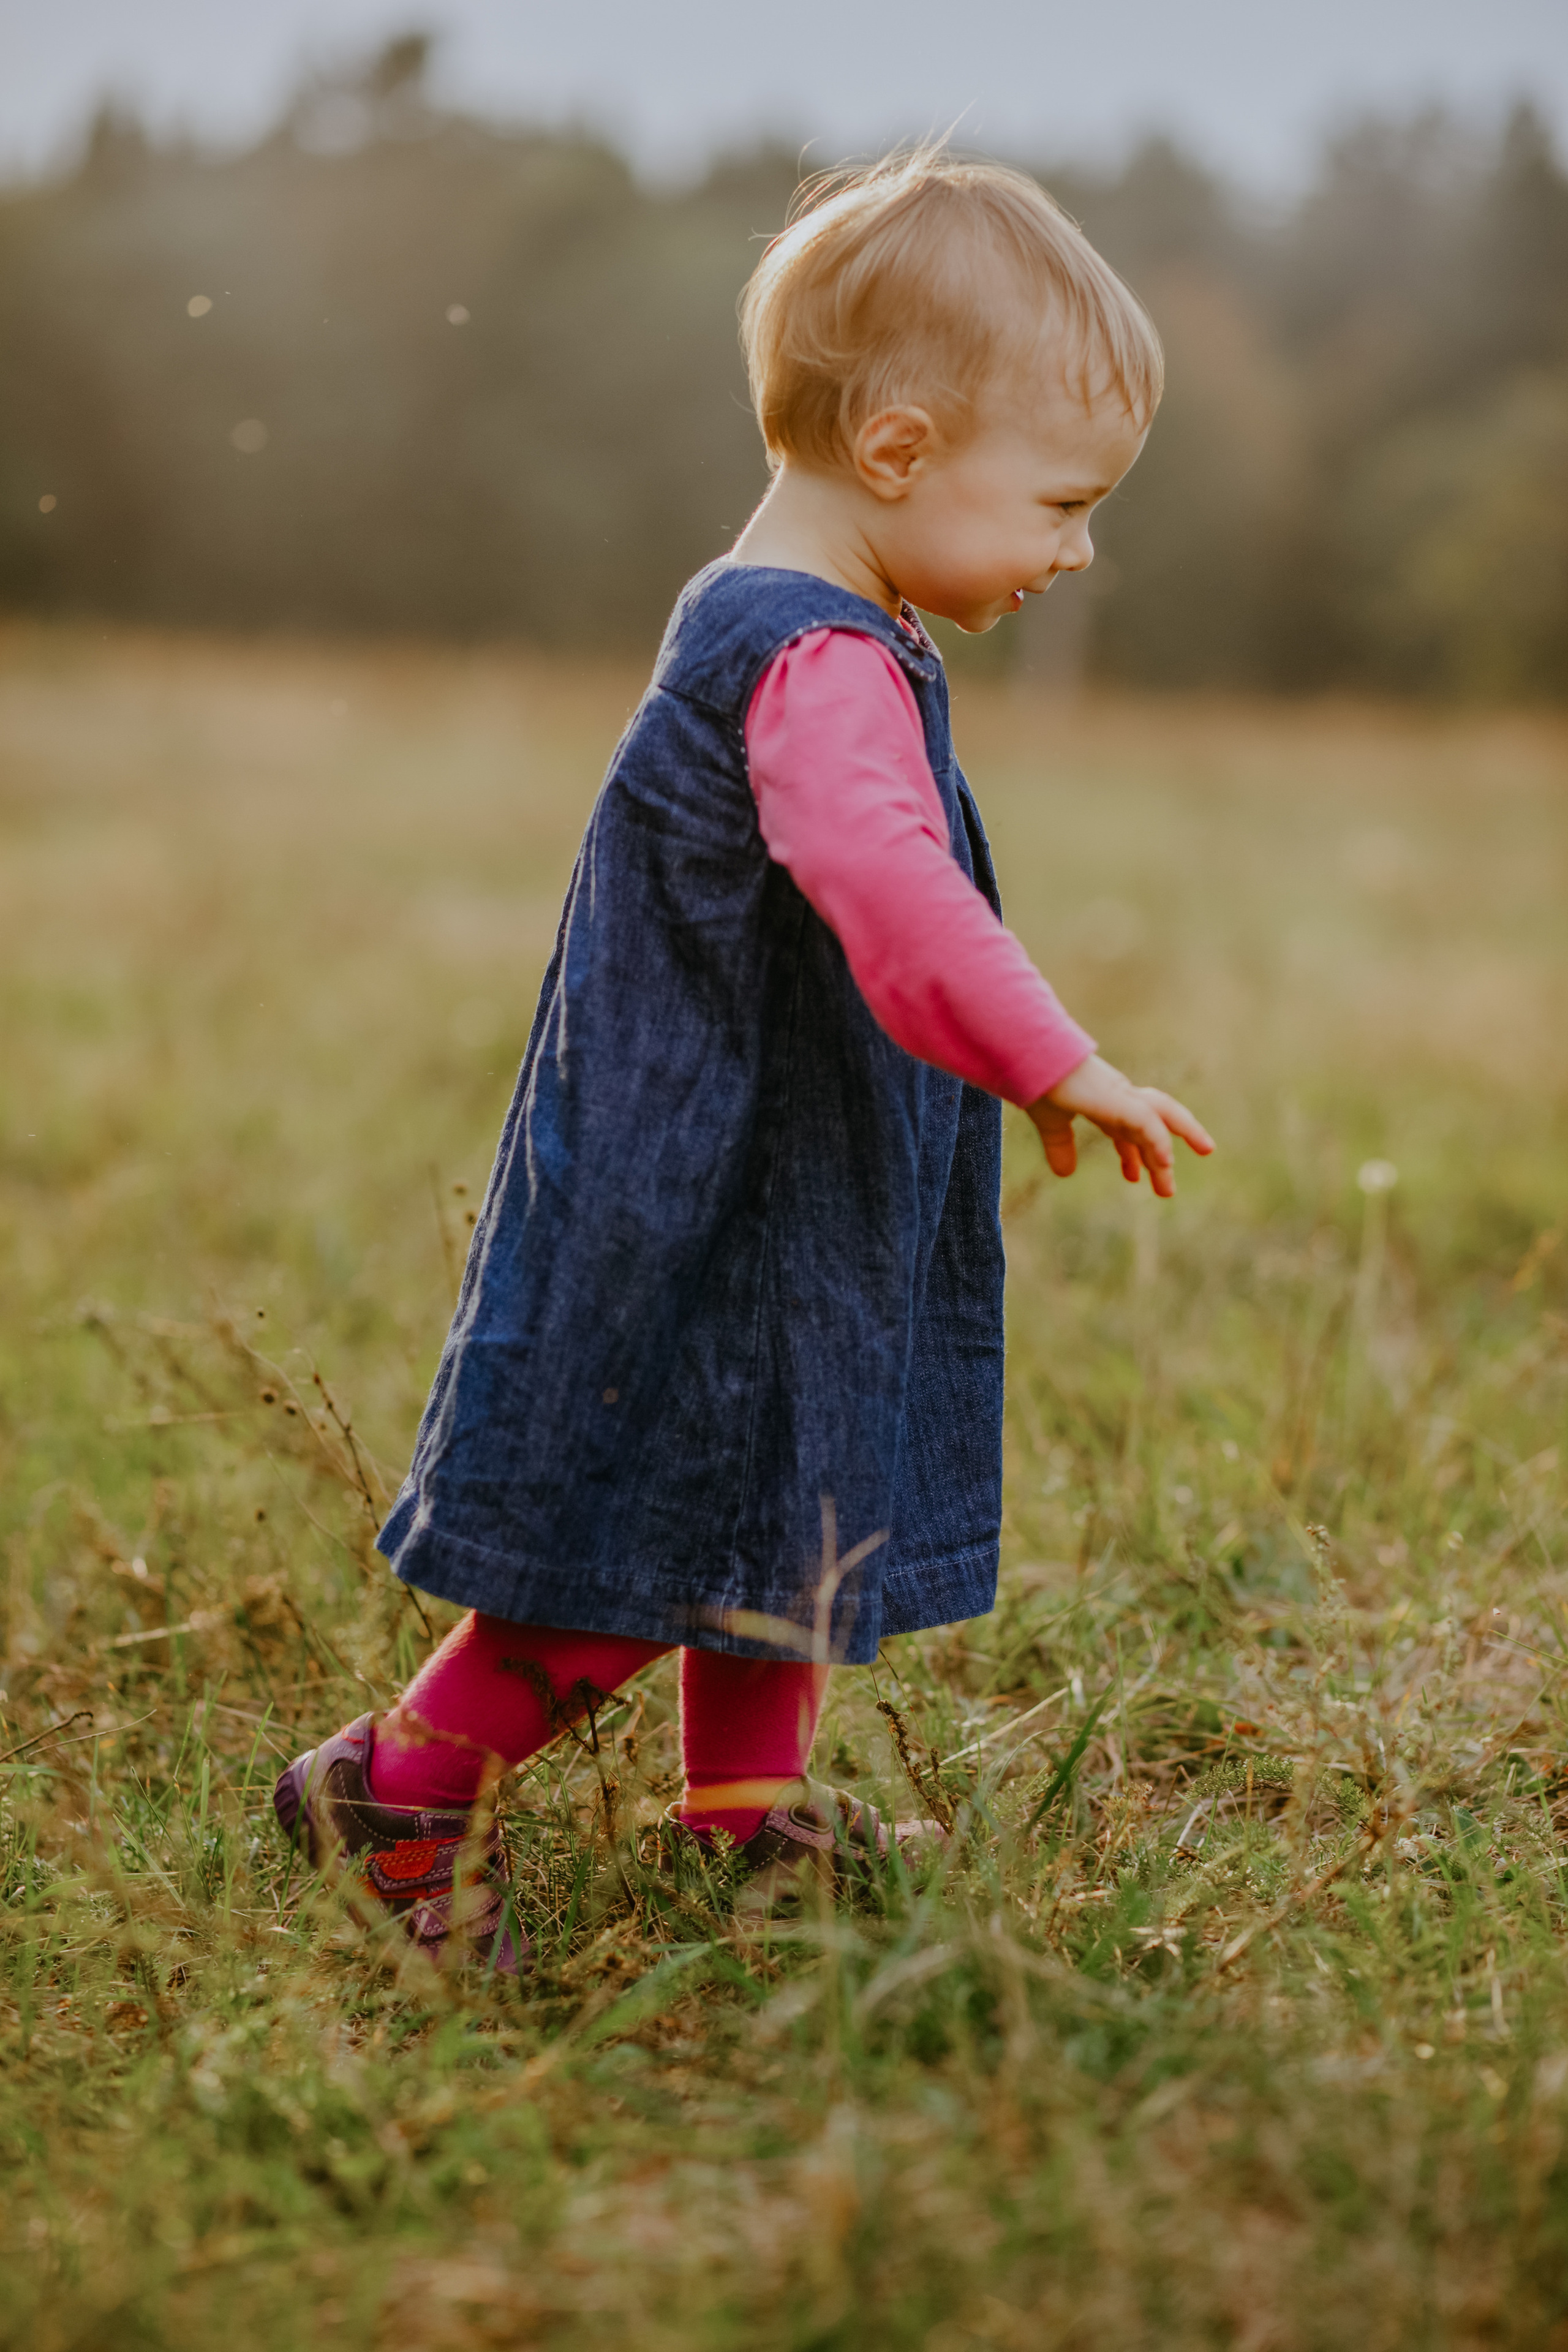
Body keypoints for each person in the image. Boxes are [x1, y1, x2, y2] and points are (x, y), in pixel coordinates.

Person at [274, 148, 1213, 1970]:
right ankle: (398, 1783)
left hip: (764, 1165)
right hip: (718, 1187)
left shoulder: (798, 620)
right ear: (900, 453)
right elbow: (884, 879)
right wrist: (1051, 1058)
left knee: (781, 1481)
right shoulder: (819, 664)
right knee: (669, 1502)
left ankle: (750, 1813)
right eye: (1064, 500)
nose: (1080, 548)